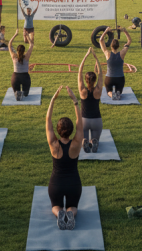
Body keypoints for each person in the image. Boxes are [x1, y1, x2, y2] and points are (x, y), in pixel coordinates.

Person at [46, 86, 84, 231]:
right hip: (74, 184)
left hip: (56, 184)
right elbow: (80, 124)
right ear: (71, 130)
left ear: (58, 130)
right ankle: (69, 213)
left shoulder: (53, 144)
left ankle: (59, 213)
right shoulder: (76, 143)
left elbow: (47, 119)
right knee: (73, 206)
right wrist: (75, 101)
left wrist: (52, 100)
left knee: (55, 206)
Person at [77, 48, 103, 153]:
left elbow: (79, 71)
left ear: (86, 80)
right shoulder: (98, 90)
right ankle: (94, 141)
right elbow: (101, 73)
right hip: (96, 121)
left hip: (84, 121)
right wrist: (96, 58)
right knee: (96, 138)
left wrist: (86, 56)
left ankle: (85, 141)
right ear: (95, 80)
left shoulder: (82, 90)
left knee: (83, 135)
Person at [98, 27, 132, 100]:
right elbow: (129, 40)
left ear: (111, 46)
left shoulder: (107, 53)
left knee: (108, 91)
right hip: (120, 78)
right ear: (119, 46)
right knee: (119, 90)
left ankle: (111, 95)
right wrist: (124, 30)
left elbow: (101, 40)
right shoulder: (122, 53)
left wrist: (106, 31)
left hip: (109, 78)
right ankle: (118, 93)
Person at [8, 30, 34, 101]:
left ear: (17, 50)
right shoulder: (26, 57)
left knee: (18, 93)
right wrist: (27, 36)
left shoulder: (14, 56)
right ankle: (23, 93)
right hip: (25, 77)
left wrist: (15, 34)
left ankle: (18, 93)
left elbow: (9, 44)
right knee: (25, 94)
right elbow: (31, 45)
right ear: (24, 51)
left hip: (15, 78)